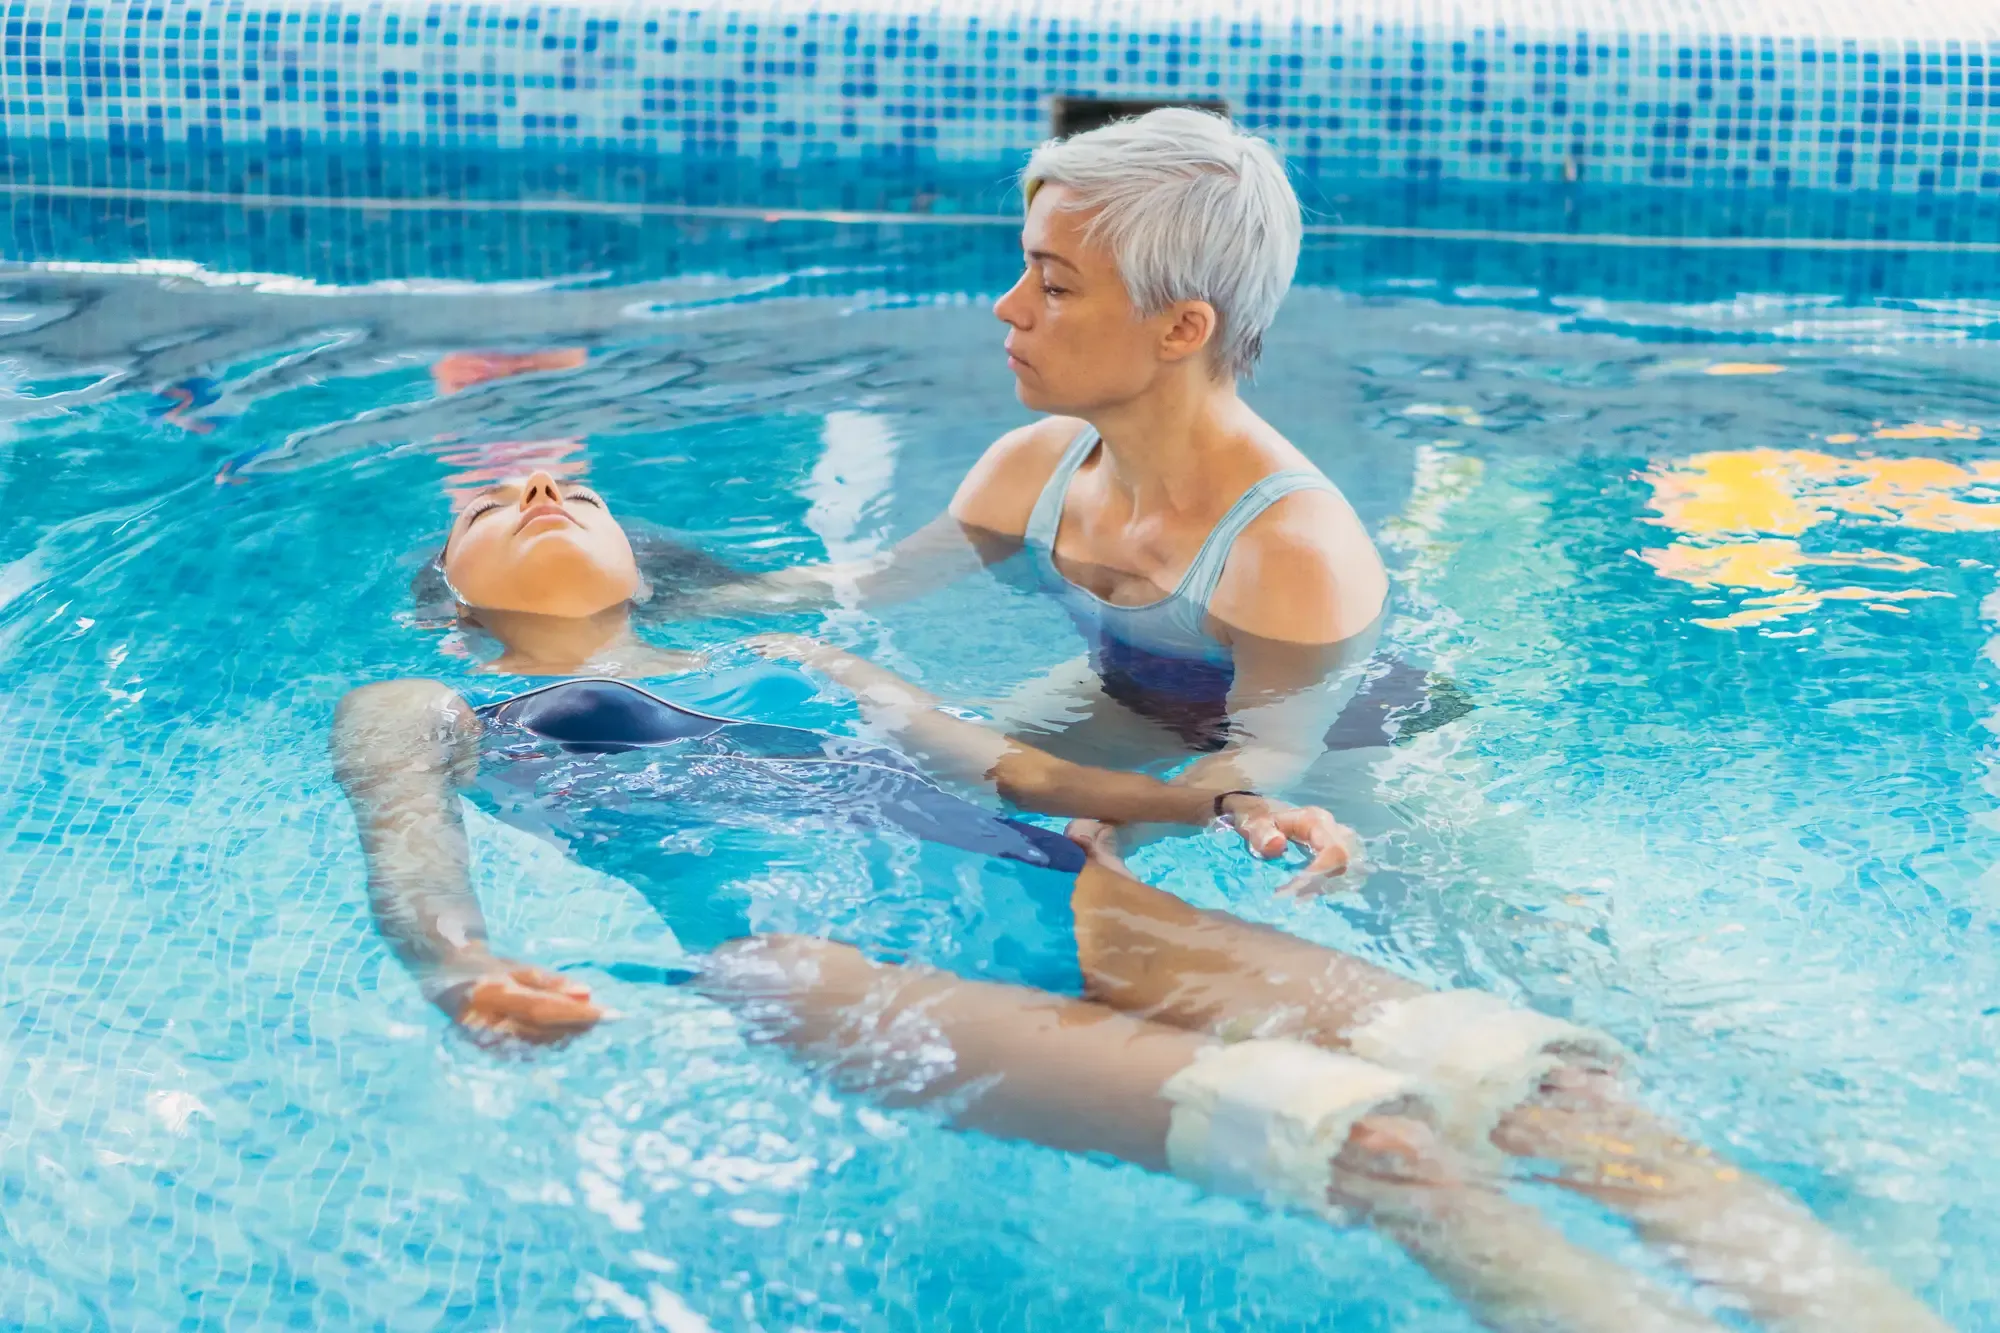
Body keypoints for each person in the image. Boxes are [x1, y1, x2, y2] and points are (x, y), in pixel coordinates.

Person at [334, 475, 1943, 1333]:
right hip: (817, 963)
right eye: (495, 505)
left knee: (1556, 1089)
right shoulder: (422, 702)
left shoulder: (797, 661)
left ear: (646, 561)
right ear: (452, 598)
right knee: (1374, 1145)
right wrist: (461, 967)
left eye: (577, 492)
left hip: (1063, 896)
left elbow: (1015, 775)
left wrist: (1225, 799)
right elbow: (411, 848)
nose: (542, 487)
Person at [692, 108, 1392, 788]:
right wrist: (675, 598)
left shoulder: (1292, 555)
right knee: (907, 781)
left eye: (1054, 284)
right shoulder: (1035, 472)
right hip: (1135, 698)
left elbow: (1266, 762)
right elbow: (873, 583)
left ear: (1181, 329)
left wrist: (1127, 826)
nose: (1009, 304)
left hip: (1332, 752)